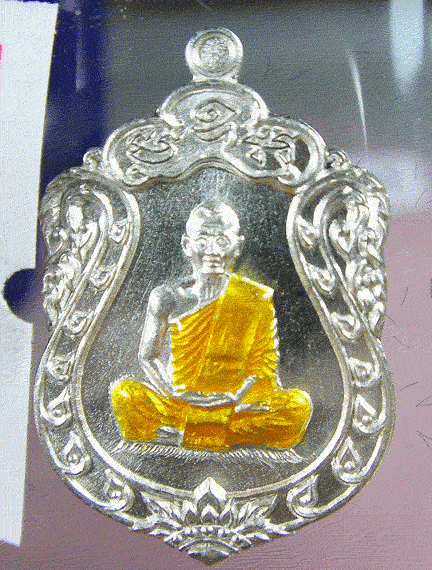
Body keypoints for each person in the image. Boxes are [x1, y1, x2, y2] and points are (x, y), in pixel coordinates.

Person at [111, 201, 311, 450]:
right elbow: (148, 357)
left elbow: (264, 365)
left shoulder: (255, 298)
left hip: (234, 405)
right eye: (203, 240)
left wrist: (236, 397)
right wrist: (173, 392)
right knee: (125, 395)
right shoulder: (166, 296)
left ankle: (186, 435)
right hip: (181, 403)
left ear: (237, 246)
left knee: (297, 406)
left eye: (223, 241)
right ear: (187, 245)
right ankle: (222, 434)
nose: (213, 251)